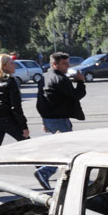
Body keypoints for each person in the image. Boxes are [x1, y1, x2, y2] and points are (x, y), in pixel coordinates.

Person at [36, 51, 86, 187]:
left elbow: (40, 101)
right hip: (59, 119)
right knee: (67, 149)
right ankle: (45, 171)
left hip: (50, 118)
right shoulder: (60, 79)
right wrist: (81, 81)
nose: (67, 66)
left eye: (68, 63)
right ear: (55, 64)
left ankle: (67, 175)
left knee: (61, 147)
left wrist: (44, 120)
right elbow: (76, 95)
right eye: (64, 64)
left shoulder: (45, 77)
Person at [0, 54, 30, 182]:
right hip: (8, 119)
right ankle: (43, 171)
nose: (14, 65)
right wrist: (24, 126)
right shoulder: (10, 81)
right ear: (4, 66)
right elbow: (16, 106)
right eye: (11, 63)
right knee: (29, 144)